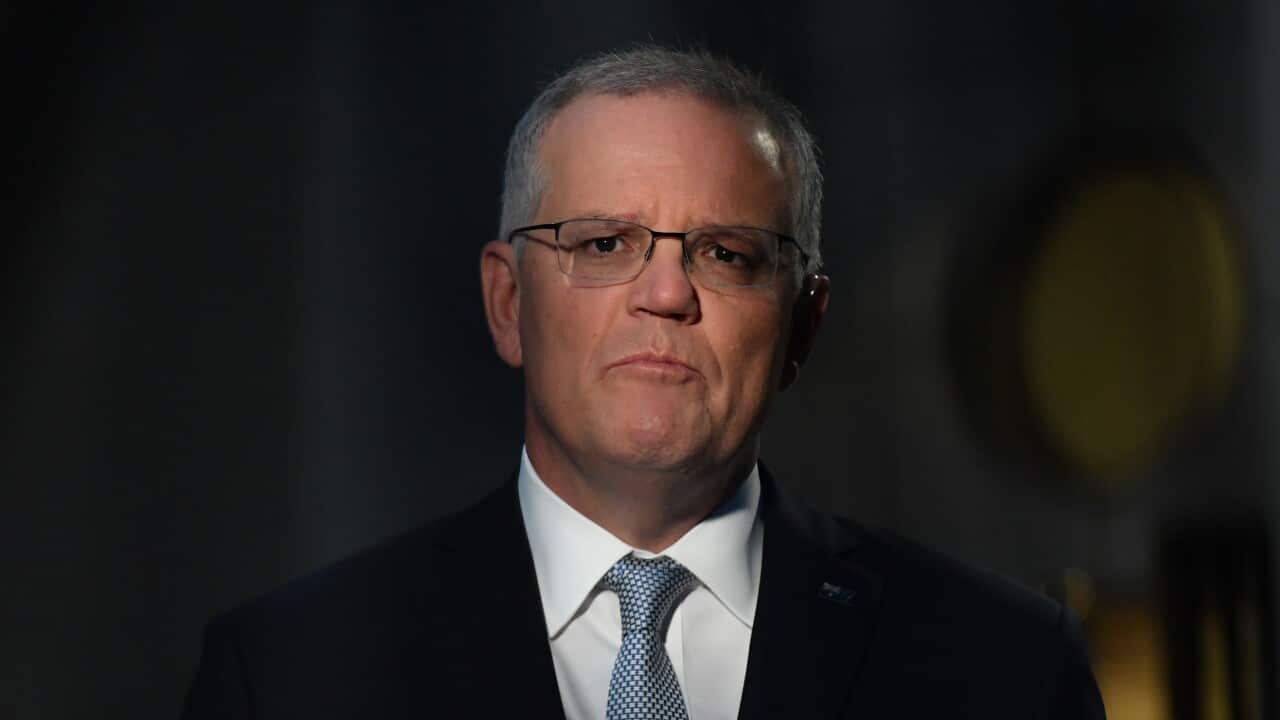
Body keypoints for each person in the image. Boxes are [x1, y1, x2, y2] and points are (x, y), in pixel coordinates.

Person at [181, 46, 1106, 719]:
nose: (666, 292)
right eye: (604, 244)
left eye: (727, 253)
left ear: (802, 325)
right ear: (509, 305)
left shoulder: (1008, 672)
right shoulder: (290, 677)